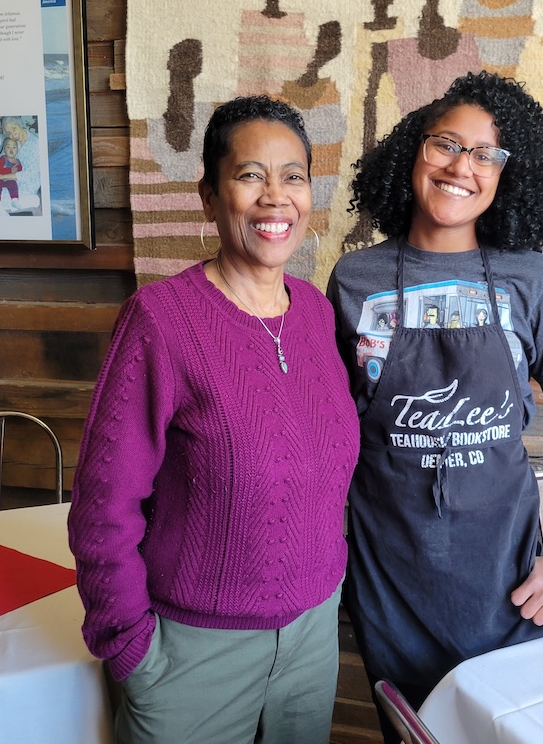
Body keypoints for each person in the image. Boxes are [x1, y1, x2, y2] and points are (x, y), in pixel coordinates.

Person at [69, 95, 360, 744]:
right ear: (209, 196)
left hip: (312, 639)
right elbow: (101, 505)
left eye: (292, 176)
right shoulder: (160, 321)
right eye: (250, 175)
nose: (274, 197)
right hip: (192, 652)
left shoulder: (315, 314)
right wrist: (132, 652)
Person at [327, 71, 543, 741]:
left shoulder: (532, 279)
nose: (462, 166)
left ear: (510, 175)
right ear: (411, 152)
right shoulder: (353, 279)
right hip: (390, 575)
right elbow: (330, 429)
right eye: (446, 144)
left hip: (508, 577)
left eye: (486, 154)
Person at [0, 116, 41, 211]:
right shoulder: (13, 142)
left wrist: (1, 176)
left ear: (20, 124)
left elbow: (29, 174)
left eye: (14, 128)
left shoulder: (35, 144)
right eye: (9, 133)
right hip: (10, 180)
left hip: (27, 184)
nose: (13, 134)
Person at [0, 135, 21, 204]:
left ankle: (14, 199)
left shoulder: (17, 161)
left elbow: (20, 169)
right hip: (0, 179)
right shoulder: (3, 158)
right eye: (8, 147)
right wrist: (10, 170)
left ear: (17, 151)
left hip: (9, 179)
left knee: (13, 184)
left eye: (14, 147)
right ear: (4, 150)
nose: (11, 149)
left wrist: (17, 169)